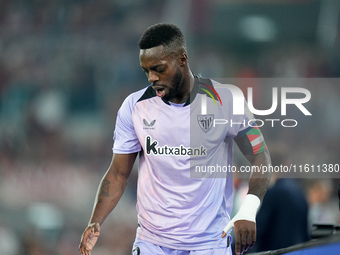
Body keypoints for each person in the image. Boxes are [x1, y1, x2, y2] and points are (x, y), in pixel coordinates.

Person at [79, 23, 271, 255]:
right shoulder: (134, 107)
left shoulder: (226, 100)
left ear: (182, 59)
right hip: (152, 242)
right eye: (146, 71)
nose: (151, 77)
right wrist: (96, 220)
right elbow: (118, 173)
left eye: (158, 68)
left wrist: (248, 210)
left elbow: (261, 155)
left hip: (210, 242)